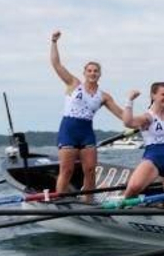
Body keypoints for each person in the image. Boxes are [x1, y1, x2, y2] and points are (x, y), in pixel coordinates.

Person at [48, 30, 128, 195]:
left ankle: (88, 203)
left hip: (86, 133)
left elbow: (123, 116)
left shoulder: (103, 96)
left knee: (91, 171)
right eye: (89, 70)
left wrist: (143, 120)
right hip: (68, 131)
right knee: (67, 170)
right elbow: (56, 64)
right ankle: (59, 201)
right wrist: (54, 42)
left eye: (96, 71)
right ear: (85, 73)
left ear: (100, 74)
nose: (92, 73)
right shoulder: (73, 84)